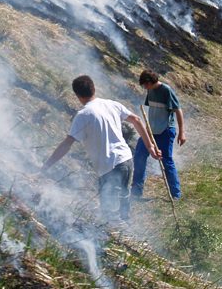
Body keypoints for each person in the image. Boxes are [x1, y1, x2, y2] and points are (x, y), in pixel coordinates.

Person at [41, 75, 160, 223]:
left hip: (109, 166)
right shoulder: (111, 104)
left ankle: (119, 236)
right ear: (94, 89)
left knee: (110, 213)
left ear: (77, 95)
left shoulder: (83, 115)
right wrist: (150, 147)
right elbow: (136, 120)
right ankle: (127, 231)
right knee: (124, 200)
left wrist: (46, 166)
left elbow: (67, 143)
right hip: (126, 160)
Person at [131, 69, 185, 201]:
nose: (144, 87)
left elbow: (178, 111)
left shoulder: (166, 90)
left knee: (166, 160)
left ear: (150, 81)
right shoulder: (150, 91)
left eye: (145, 84)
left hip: (165, 131)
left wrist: (182, 132)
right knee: (139, 154)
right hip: (151, 131)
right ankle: (136, 191)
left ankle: (175, 194)